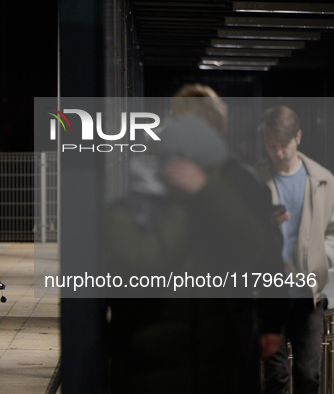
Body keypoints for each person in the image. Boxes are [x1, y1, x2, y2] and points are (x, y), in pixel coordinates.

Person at [105, 85, 286, 393]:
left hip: (212, 337)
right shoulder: (237, 181)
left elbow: (261, 250)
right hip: (201, 337)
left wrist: (271, 320)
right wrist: (271, 321)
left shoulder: (234, 183)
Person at [256, 105, 334, 394]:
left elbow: (332, 230)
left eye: (284, 145)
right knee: (275, 377)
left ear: (298, 137)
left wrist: (320, 258)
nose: (278, 153)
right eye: (271, 145)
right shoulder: (253, 181)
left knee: (308, 375)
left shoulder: (322, 180)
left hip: (307, 295)